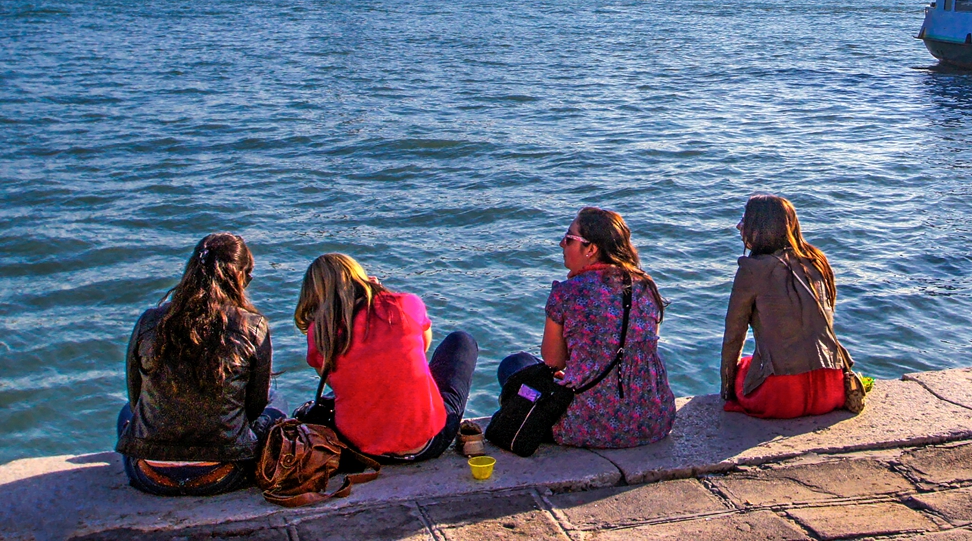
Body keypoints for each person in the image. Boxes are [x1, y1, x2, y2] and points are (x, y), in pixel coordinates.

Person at [116, 232, 285, 495]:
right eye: (248, 276)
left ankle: (159, 460)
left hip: (151, 477)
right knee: (277, 401)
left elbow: (136, 397)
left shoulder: (149, 320)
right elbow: (253, 408)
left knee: (127, 412)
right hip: (222, 475)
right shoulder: (252, 326)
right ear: (239, 277)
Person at [498, 207, 676, 448]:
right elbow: (642, 348)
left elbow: (553, 362)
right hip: (652, 421)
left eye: (570, 238)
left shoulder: (567, 292)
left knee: (515, 365)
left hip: (588, 426)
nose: (562, 243)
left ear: (591, 249)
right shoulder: (646, 286)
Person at [294, 253, 477, 461]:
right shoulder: (405, 303)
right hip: (428, 444)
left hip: (361, 450)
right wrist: (382, 293)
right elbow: (422, 346)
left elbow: (334, 383)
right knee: (462, 341)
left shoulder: (319, 333)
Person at [721, 194, 849, 419]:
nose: (739, 225)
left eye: (745, 219)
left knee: (745, 368)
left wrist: (727, 391)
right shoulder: (816, 261)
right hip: (832, 389)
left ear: (760, 227)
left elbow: (734, 336)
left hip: (782, 397)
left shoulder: (752, 270)